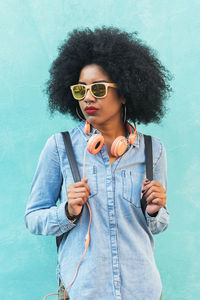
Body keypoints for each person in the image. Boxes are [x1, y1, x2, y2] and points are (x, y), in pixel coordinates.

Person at [25, 27, 171, 300]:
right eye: (81, 89)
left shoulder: (154, 150)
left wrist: (154, 211)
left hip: (143, 291)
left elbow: (159, 225)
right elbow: (33, 219)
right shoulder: (59, 148)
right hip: (83, 292)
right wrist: (67, 211)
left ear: (125, 92)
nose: (88, 97)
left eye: (99, 88)